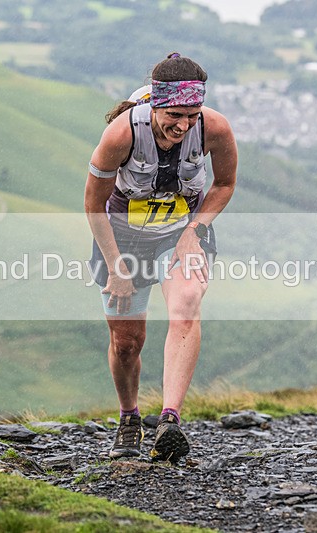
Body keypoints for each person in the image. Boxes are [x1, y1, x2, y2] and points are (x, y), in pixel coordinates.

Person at [84, 53, 238, 462]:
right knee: (127, 342)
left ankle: (170, 420)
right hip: (122, 238)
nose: (184, 125)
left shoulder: (215, 128)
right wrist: (115, 265)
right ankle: (130, 418)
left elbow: (224, 184)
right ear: (155, 103)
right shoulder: (121, 135)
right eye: (174, 114)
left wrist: (194, 232)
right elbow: (93, 205)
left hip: (181, 231)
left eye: (192, 114)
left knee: (186, 304)